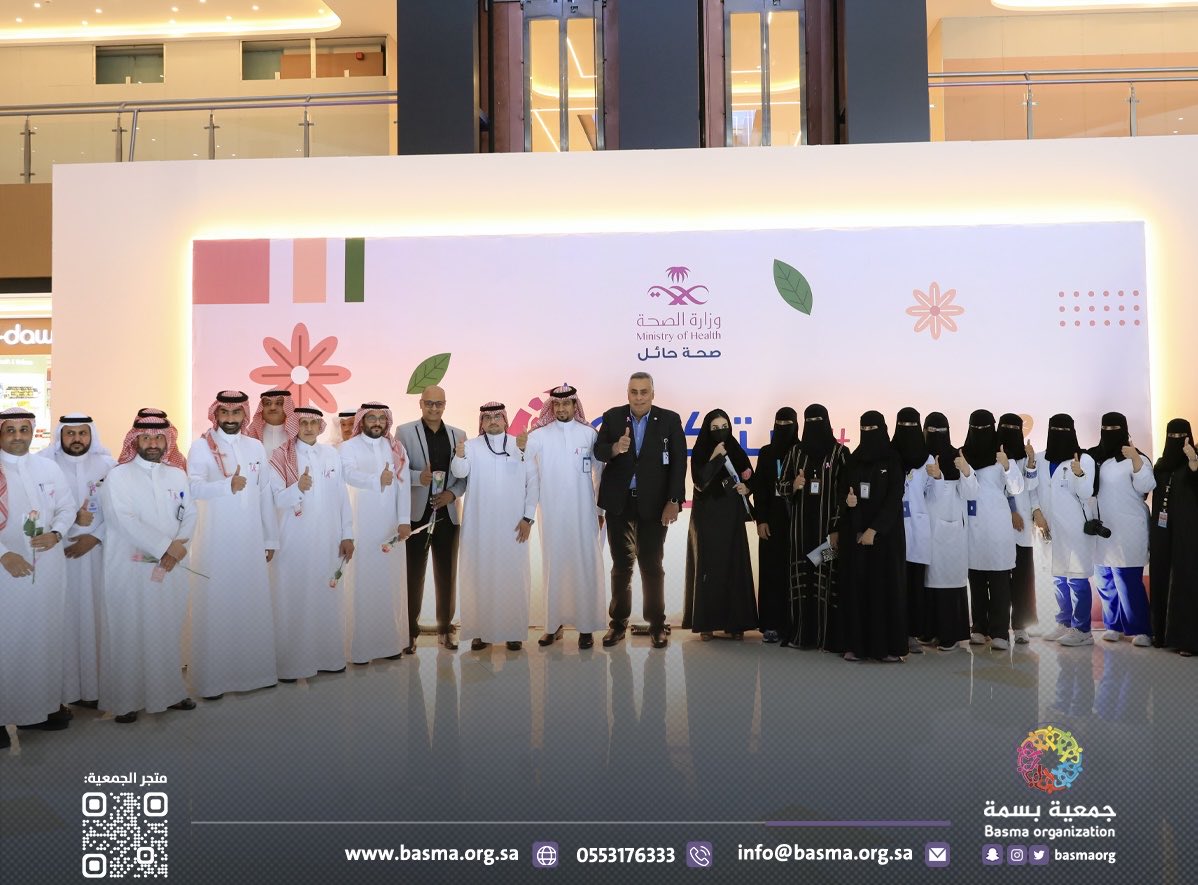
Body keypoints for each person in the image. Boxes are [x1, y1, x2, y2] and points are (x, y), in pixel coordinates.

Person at [97, 414, 198, 723]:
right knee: (130, 631)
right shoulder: (119, 476)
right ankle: (126, 701)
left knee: (167, 630)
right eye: (146, 438)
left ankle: (170, 693)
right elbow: (122, 519)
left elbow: (190, 513)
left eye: (158, 438)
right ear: (135, 441)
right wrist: (166, 546)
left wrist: (179, 547)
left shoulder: (177, 475)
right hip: (131, 569)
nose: (152, 443)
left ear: (167, 441)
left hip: (172, 567)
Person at [186, 390, 279, 699]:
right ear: (215, 414)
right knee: (218, 606)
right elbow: (193, 487)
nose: (229, 418)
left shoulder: (255, 447)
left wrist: (270, 536)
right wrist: (227, 486)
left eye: (236, 412)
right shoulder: (201, 446)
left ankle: (256, 674)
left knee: (251, 603)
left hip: (250, 539)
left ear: (244, 414)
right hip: (215, 541)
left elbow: (265, 494)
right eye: (224, 412)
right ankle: (213, 682)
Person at [593, 372, 686, 650]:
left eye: (644, 392)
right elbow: (598, 451)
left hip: (654, 505)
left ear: (653, 394)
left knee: (652, 565)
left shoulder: (669, 420)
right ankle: (618, 624)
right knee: (621, 566)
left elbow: (679, 462)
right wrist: (615, 448)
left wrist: (674, 500)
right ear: (628, 393)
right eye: (634, 392)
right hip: (619, 503)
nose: (639, 397)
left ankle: (657, 624)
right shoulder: (612, 417)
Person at [0, 408, 76, 746]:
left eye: (24, 429)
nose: (18, 436)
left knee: (43, 637)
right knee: (7, 640)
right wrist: (4, 554)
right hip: (5, 571)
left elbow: (67, 507)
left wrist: (57, 533)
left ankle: (36, 710)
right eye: (10, 430)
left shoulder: (47, 468)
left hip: (48, 567)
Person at [268, 406, 355, 680]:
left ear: (320, 427)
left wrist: (348, 534)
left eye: (313, 423)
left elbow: (342, 496)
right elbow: (275, 500)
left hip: (329, 539)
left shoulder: (331, 454)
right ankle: (292, 665)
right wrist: (298, 488)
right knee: (294, 599)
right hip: (295, 540)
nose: (308, 428)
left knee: (327, 597)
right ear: (295, 425)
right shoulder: (280, 456)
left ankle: (329, 659)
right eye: (303, 423)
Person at [39, 413, 116, 709]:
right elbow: (40, 511)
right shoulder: (45, 466)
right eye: (70, 433)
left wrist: (94, 537)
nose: (76, 439)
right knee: (62, 622)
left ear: (91, 435)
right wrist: (70, 528)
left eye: (82, 433)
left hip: (98, 554)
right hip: (58, 554)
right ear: (60, 435)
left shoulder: (108, 466)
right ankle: (61, 694)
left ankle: (94, 691)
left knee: (96, 619)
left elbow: (118, 511)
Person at [450, 402, 539, 651]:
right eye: (487, 417)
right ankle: (481, 631)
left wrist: (528, 518)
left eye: (497, 417)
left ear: (505, 420)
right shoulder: (471, 446)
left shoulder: (520, 445)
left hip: (513, 525)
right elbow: (460, 472)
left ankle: (513, 631)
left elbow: (533, 483)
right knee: (481, 576)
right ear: (481, 421)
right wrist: (459, 454)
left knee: (513, 577)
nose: (492, 421)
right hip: (480, 525)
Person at [525, 384, 606, 649]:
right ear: (551, 407)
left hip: (584, 513)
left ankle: (586, 627)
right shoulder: (538, 436)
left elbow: (599, 474)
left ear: (574, 405)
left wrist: (599, 510)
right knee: (554, 567)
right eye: (557, 404)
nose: (561, 408)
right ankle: (553, 626)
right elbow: (526, 467)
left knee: (584, 566)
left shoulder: (589, 434)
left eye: (566, 403)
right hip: (551, 513)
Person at [339, 402, 413, 663]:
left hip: (390, 525)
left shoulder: (396, 448)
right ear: (362, 420)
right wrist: (375, 480)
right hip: (359, 526)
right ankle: (360, 650)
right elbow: (348, 474)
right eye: (372, 418)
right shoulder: (348, 447)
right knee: (361, 586)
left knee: (390, 585)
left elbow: (403, 486)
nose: (377, 423)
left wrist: (404, 520)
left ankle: (390, 645)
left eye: (382, 418)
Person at [397, 386, 466, 652]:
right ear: (421, 403)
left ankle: (445, 630)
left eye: (439, 403)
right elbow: (397, 471)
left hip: (448, 513)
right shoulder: (404, 432)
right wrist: (419, 477)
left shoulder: (459, 435)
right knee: (413, 574)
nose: (434, 408)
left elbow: (465, 477)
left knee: (447, 574)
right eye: (429, 403)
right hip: (417, 515)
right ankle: (410, 633)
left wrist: (452, 494)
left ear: (445, 405)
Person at [682, 409, 758, 640]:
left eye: (724, 426)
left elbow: (749, 476)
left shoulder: (735, 448)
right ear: (707, 430)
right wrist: (716, 457)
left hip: (732, 515)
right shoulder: (701, 451)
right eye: (715, 428)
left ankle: (736, 624)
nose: (720, 431)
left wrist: (747, 487)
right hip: (707, 516)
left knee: (734, 566)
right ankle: (707, 624)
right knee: (709, 567)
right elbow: (699, 482)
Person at [837, 411, 906, 662]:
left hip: (885, 537)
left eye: (872, 429)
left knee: (884, 590)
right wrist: (847, 502)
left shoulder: (893, 459)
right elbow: (842, 491)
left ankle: (886, 648)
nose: (868, 434)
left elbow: (894, 498)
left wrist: (874, 530)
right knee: (857, 589)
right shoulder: (853, 460)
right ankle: (855, 646)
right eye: (863, 429)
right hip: (856, 536)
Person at [778, 403, 848, 650]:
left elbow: (844, 494)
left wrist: (837, 528)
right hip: (800, 532)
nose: (814, 427)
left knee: (824, 579)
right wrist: (794, 485)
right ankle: (801, 635)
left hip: (828, 534)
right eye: (810, 421)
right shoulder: (795, 452)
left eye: (818, 421)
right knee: (802, 582)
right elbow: (780, 486)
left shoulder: (840, 453)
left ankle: (825, 637)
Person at [959, 409, 1024, 651]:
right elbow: (967, 493)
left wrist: (1007, 466)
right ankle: (979, 627)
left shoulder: (1002, 452)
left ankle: (1000, 632)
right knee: (976, 578)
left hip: (998, 524)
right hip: (973, 525)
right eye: (975, 428)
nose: (980, 433)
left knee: (999, 580)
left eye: (984, 428)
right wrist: (966, 472)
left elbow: (1016, 488)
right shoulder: (963, 454)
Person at [1030, 415, 1097, 647]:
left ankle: (1083, 630)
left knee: (1077, 578)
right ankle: (1064, 622)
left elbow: (1086, 493)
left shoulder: (1083, 459)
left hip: (1074, 530)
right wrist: (1036, 511)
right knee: (1058, 577)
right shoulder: (1039, 459)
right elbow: (1032, 488)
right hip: (1049, 528)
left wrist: (1079, 474)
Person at [1091, 411, 1155, 647]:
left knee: (1127, 580)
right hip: (1102, 529)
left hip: (1128, 528)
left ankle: (1141, 629)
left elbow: (1146, 486)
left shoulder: (1136, 457)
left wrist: (1136, 460)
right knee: (1105, 579)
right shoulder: (1095, 457)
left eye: (1114, 429)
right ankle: (1114, 625)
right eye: (1105, 429)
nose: (1109, 433)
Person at [920, 412, 971, 651]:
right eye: (930, 431)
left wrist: (966, 472)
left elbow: (971, 493)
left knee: (947, 580)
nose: (934, 436)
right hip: (923, 529)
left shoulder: (957, 456)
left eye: (938, 431)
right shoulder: (918, 456)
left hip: (949, 530)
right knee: (927, 581)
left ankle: (951, 634)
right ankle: (929, 630)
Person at [1150, 420, 1198, 655]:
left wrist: (1193, 462)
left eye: (1181, 435)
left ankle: (1188, 640)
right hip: (1162, 531)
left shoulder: (1193, 462)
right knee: (1161, 574)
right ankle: (1161, 634)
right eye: (1172, 435)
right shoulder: (1161, 466)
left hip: (1188, 532)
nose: (1176, 440)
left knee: (1186, 579)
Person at [751, 408, 797, 644]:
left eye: (788, 423)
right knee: (771, 572)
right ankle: (770, 624)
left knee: (796, 572)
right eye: (780, 423)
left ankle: (796, 624)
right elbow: (760, 488)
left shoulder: (802, 451)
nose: (784, 427)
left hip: (797, 523)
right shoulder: (767, 452)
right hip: (771, 523)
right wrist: (761, 520)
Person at [892, 407, 932, 655]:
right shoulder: (889, 455)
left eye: (911, 426)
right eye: (903, 426)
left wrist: (938, 477)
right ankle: (895, 631)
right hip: (893, 528)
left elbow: (934, 495)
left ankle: (913, 633)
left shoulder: (929, 460)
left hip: (918, 529)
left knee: (915, 583)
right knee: (895, 582)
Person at [998, 413, 1040, 644]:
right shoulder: (994, 454)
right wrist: (1012, 510)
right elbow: (1001, 487)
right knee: (1000, 578)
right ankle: (999, 625)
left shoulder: (1024, 455)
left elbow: (1030, 486)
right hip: (1002, 523)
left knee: (1023, 577)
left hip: (1023, 527)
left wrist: (1031, 461)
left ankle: (1021, 626)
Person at [244, 389, 296, 460]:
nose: (272, 408)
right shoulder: (248, 434)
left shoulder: (298, 435)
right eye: (268, 403)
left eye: (279, 403)